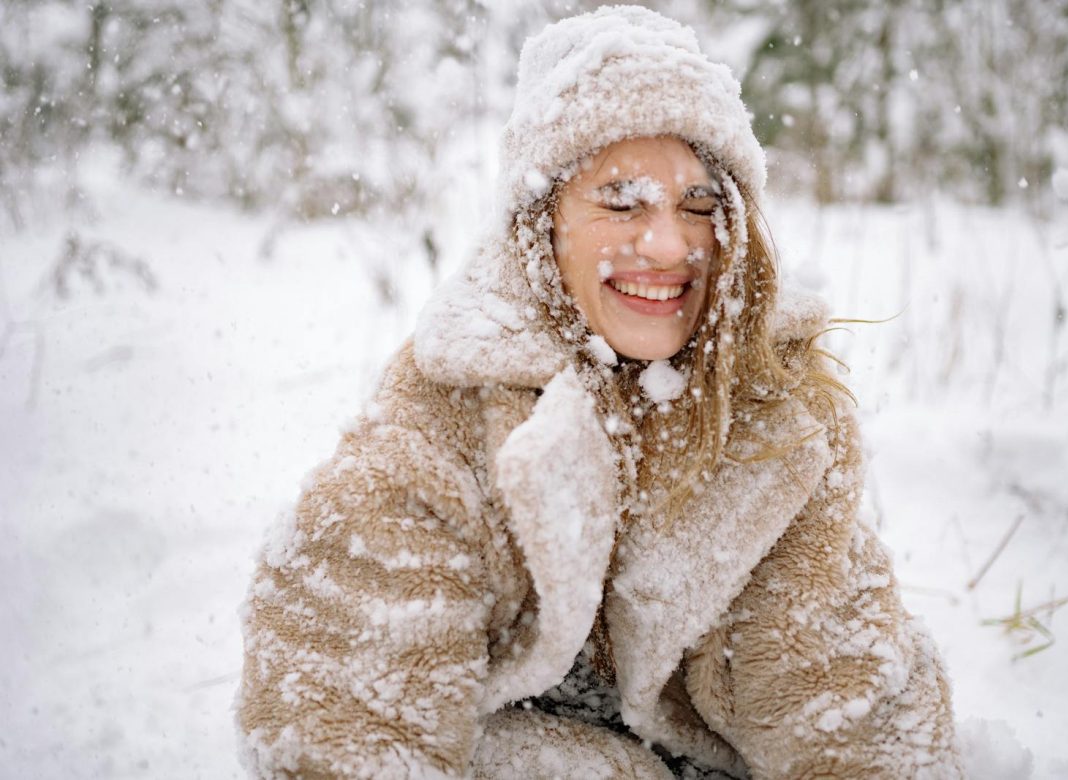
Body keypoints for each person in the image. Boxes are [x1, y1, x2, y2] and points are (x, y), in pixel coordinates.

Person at [235, 6, 963, 778]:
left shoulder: (777, 413)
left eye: (700, 205)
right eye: (621, 201)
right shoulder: (442, 415)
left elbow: (842, 704)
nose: (669, 244)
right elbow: (340, 709)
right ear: (542, 226)